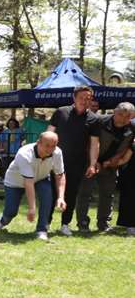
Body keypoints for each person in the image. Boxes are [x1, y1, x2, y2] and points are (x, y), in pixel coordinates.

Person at [0, 131, 66, 241]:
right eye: (47, 146)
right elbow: (28, 183)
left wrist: (61, 197)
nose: (50, 149)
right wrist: (31, 208)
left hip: (41, 178)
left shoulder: (57, 153)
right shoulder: (24, 154)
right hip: (15, 182)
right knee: (11, 211)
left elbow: (60, 175)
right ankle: (2, 221)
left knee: (47, 199)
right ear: (38, 142)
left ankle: (42, 230)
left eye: (53, 146)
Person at [47, 86, 97, 235]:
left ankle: (65, 224)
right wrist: (45, 152)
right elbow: (49, 133)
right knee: (51, 193)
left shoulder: (93, 119)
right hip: (55, 160)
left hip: (78, 163)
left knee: (71, 194)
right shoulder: (61, 112)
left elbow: (95, 144)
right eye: (81, 97)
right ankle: (45, 223)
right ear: (74, 98)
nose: (85, 101)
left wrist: (92, 164)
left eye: (88, 98)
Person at [79, 102, 135, 232]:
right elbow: (88, 143)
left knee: (107, 194)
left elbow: (128, 144)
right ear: (114, 111)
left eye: (127, 116)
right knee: (85, 193)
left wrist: (117, 158)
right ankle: (82, 223)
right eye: (120, 114)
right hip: (91, 161)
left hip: (111, 165)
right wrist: (94, 162)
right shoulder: (100, 121)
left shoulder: (132, 127)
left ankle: (103, 224)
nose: (123, 119)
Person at [115, 137, 135, 236]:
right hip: (130, 173)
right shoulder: (133, 143)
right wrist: (109, 163)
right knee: (130, 198)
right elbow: (124, 159)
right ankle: (130, 225)